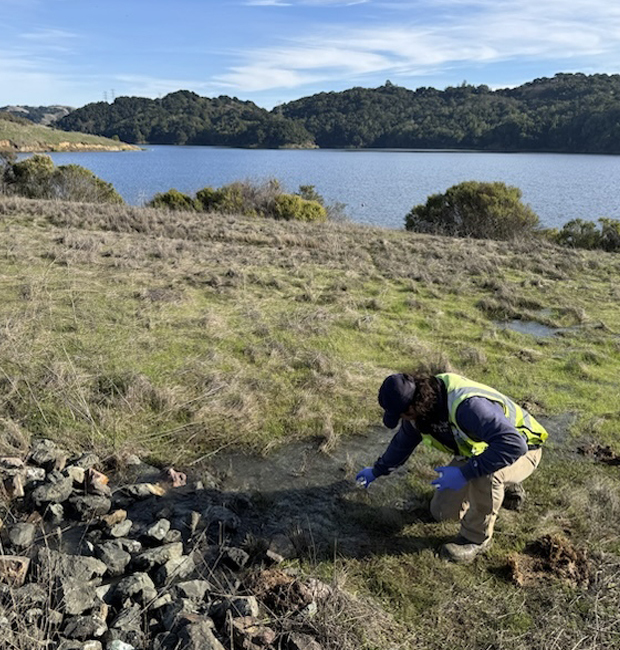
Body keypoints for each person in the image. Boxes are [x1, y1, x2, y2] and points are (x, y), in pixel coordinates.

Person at [356, 371, 548, 563]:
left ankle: (475, 539)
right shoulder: (416, 415)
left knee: (487, 475)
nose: (404, 420)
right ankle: (501, 487)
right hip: (481, 450)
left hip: (524, 449)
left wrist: (466, 473)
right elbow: (401, 445)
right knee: (441, 513)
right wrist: (376, 470)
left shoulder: (468, 406)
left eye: (404, 415)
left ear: (417, 403)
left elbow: (514, 444)